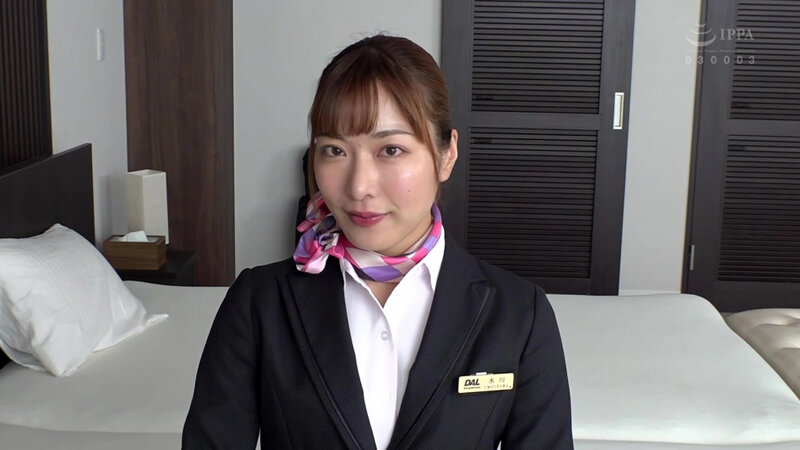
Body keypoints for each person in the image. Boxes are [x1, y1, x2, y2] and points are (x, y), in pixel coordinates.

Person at [183, 34, 572, 449]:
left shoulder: (519, 313)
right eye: (334, 150)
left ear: (447, 155)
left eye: (390, 150)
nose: (359, 187)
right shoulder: (259, 303)